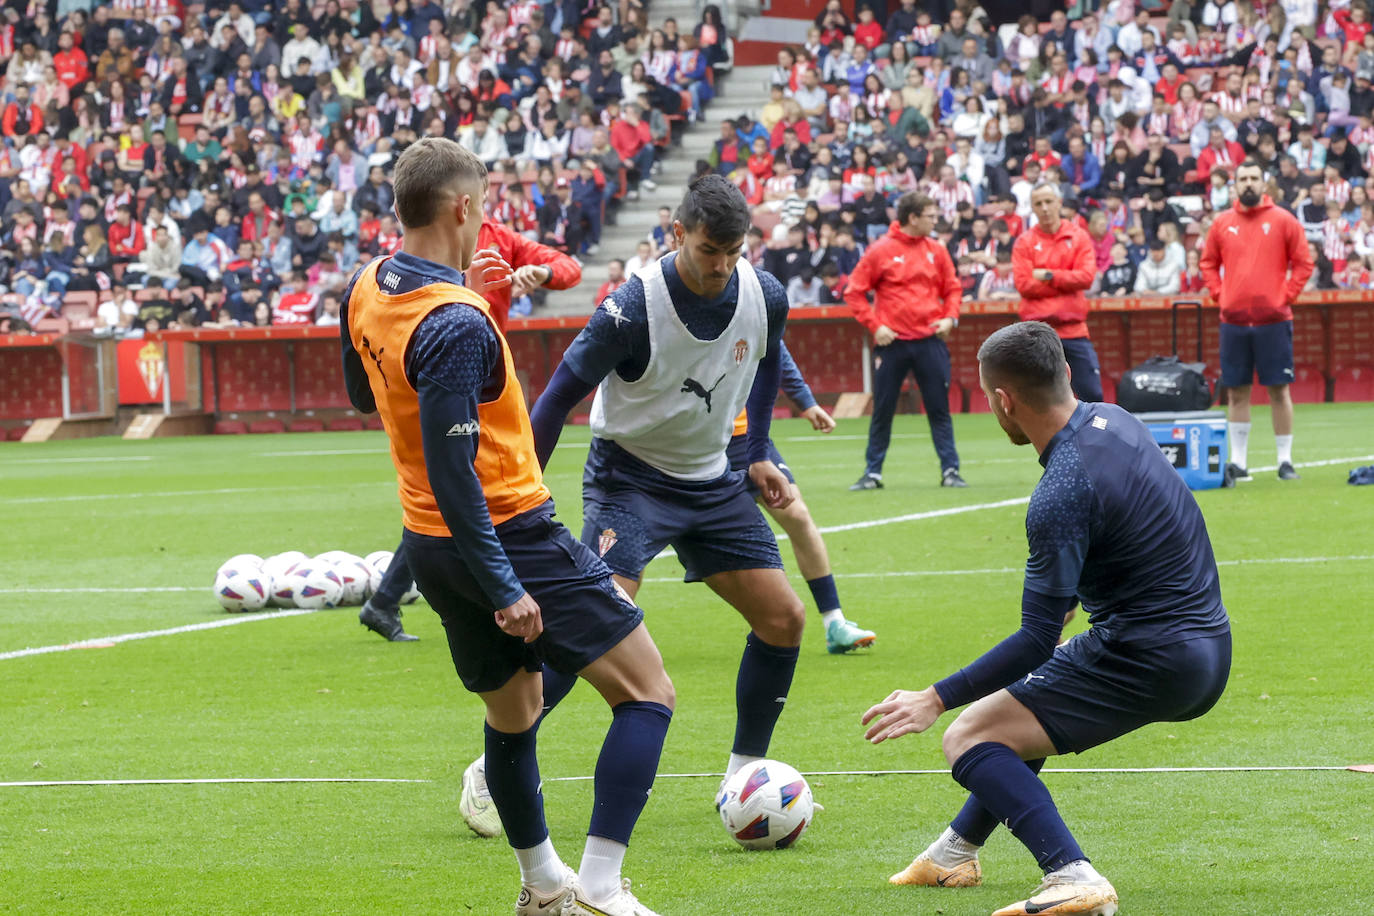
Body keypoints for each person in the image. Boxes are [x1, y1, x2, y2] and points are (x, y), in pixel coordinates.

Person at [339, 138, 673, 916]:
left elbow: (363, 393)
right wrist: (505, 586)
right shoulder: (456, 320)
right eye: (484, 205)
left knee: (515, 713)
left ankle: (544, 885)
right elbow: (458, 471)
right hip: (509, 534)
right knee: (649, 692)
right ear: (463, 208)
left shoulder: (365, 286)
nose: (485, 217)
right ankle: (598, 885)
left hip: (426, 544)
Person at [457, 175, 805, 846]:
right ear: (676, 234)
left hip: (712, 482)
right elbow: (557, 397)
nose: (721, 266)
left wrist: (757, 450)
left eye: (734, 251)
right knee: (599, 625)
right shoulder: (629, 307)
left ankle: (742, 780)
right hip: (630, 480)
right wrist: (521, 489)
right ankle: (489, 766)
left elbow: (765, 366)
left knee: (784, 618)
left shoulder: (767, 295)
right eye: (709, 250)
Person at [863, 321, 1231, 916]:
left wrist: (936, 698)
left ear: (1003, 401)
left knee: (968, 735)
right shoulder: (1119, 418)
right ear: (1064, 372)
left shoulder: (1060, 490)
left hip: (1151, 654)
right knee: (1015, 709)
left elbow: (1038, 637)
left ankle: (1072, 874)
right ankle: (954, 853)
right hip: (1207, 648)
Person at [360, 222, 584, 642]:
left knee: (451, 500)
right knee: (457, 495)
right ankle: (503, 595)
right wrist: (469, 289)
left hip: (486, 383)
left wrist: (543, 275)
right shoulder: (422, 245)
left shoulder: (503, 240)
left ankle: (385, 600)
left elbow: (569, 267)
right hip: (448, 381)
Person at [725, 342, 878, 654]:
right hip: (688, 440)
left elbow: (776, 352)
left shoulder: (755, 300)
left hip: (747, 437)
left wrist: (806, 402)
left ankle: (835, 623)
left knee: (796, 515)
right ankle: (616, 624)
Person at [1200, 159, 1315, 485]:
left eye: (1254, 178)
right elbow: (1207, 264)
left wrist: (1285, 296)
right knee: (1236, 393)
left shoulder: (1283, 220)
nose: (1248, 183)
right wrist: (1220, 296)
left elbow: (1304, 263)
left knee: (1279, 390)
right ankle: (1238, 463)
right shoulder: (1222, 223)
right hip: (1233, 321)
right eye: (1243, 179)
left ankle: (1285, 461)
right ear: (1234, 184)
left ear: (1264, 184)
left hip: (1273, 320)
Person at [845, 192, 965, 491]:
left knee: (939, 409)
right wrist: (875, 325)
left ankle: (951, 470)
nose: (936, 221)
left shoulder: (937, 250)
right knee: (883, 409)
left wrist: (951, 317)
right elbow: (853, 291)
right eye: (931, 216)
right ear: (913, 218)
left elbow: (953, 289)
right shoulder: (879, 251)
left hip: (930, 341)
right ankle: (872, 473)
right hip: (892, 342)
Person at [1012, 184, 1102, 402]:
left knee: (1093, 395)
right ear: (1032, 208)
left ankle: (1090, 437)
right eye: (1038, 204)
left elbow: (1086, 278)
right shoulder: (1024, 242)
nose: (1044, 208)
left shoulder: (1078, 237)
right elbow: (1024, 285)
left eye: (1049, 202)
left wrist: (1049, 275)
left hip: (1074, 330)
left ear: (1059, 203)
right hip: (1037, 334)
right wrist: (1066, 280)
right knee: (1039, 400)